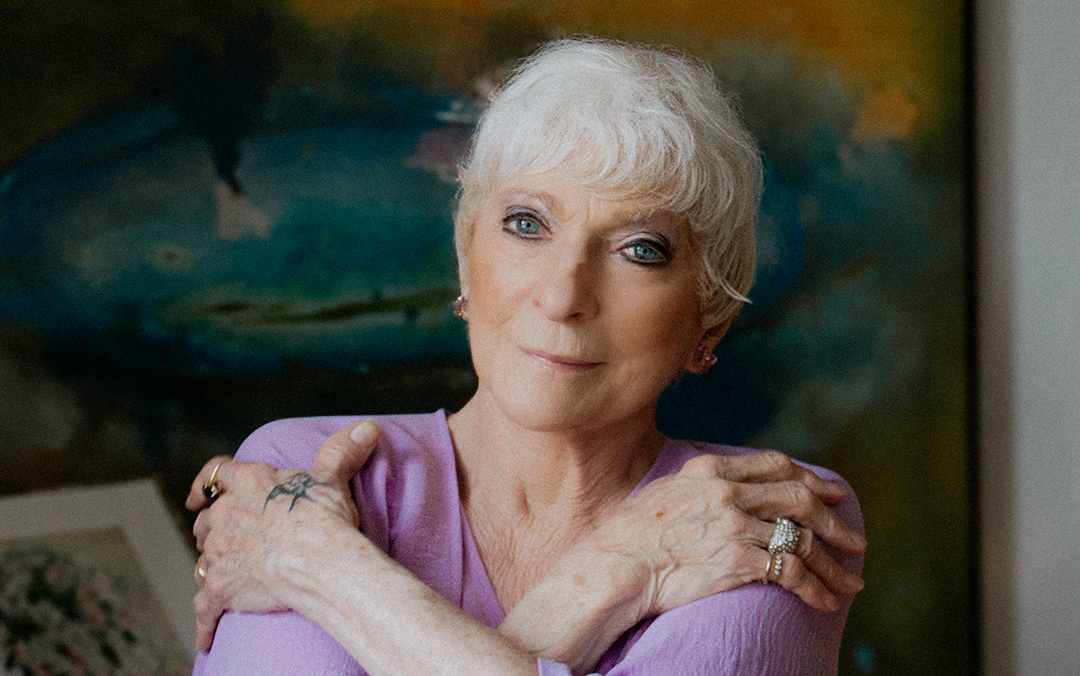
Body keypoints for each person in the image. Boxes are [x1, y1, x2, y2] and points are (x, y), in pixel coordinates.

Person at [186, 37, 866, 676]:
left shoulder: (761, 513)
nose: (563, 295)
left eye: (641, 249)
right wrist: (609, 580)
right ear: (466, 258)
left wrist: (321, 567)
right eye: (527, 224)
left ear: (709, 317)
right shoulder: (303, 469)